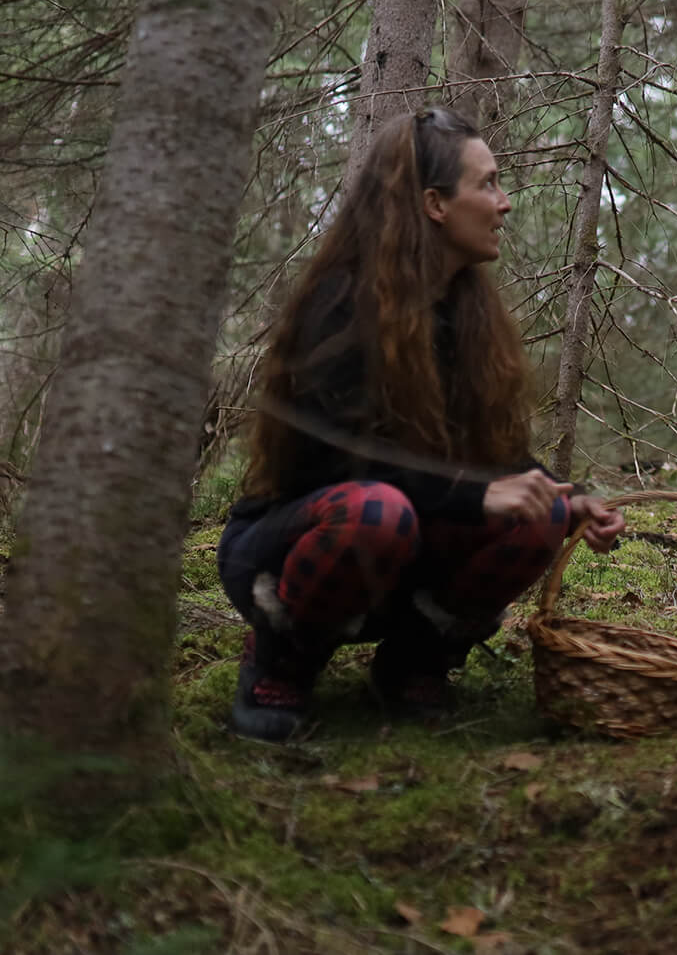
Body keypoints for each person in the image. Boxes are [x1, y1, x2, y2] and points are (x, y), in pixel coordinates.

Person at [216, 108, 625, 741]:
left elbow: (498, 456)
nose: (504, 203)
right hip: (291, 548)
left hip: (400, 552)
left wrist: (569, 498)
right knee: (375, 512)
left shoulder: (465, 311)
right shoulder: (341, 303)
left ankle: (414, 663)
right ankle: (281, 660)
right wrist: (476, 495)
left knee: (539, 511)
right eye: (487, 184)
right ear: (435, 204)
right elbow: (336, 459)